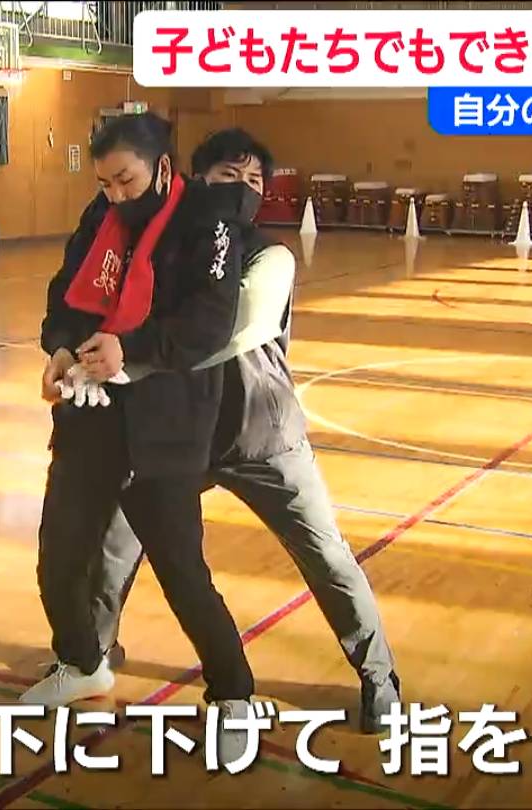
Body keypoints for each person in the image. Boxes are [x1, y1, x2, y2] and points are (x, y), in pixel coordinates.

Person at [64, 128, 403, 734]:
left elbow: (229, 331)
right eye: (229, 177)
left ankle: (378, 675)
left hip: (261, 434)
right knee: (115, 548)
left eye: (254, 182)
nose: (243, 190)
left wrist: (125, 359)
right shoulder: (163, 246)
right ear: (196, 182)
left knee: (325, 555)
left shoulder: (272, 257)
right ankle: (94, 653)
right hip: (173, 433)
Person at [26, 113, 258, 756]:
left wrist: (130, 351)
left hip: (167, 425)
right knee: (59, 558)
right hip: (91, 414)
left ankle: (234, 694)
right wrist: (60, 348)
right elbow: (64, 296)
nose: (116, 196)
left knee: (182, 572)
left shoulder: (207, 220)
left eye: (125, 181)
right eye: (104, 183)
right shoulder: (99, 217)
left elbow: (209, 324)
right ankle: (82, 661)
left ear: (161, 168)